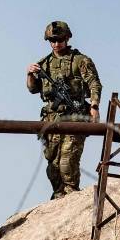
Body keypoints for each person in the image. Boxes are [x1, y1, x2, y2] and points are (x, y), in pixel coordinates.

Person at [26, 21, 103, 199]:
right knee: (52, 165)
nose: (56, 43)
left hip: (74, 117)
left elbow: (94, 84)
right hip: (51, 119)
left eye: (59, 39)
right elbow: (32, 89)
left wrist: (94, 106)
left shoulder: (80, 61)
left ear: (67, 38)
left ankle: (71, 196)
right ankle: (59, 197)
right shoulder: (43, 64)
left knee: (67, 162)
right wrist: (29, 74)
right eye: (52, 40)